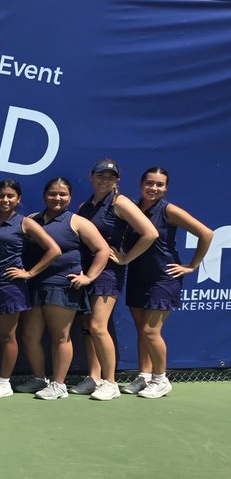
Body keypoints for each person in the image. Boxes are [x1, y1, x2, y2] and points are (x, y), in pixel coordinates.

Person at [0, 180, 61, 399]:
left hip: (10, 289)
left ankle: (4, 382)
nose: (5, 200)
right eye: (1, 196)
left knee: (6, 336)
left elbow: (54, 250)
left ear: (18, 199)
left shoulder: (25, 223)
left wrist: (29, 273)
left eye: (10, 196)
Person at [15, 177, 110, 400]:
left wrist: (89, 277)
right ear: (43, 195)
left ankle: (59, 385)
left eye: (62, 194)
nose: (57, 198)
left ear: (70, 197)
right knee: (30, 335)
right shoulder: (32, 220)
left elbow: (102, 250)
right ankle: (39, 378)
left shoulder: (78, 222)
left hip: (62, 286)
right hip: (35, 285)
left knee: (60, 337)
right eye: (52, 194)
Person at [123, 167, 212, 398]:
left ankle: (161, 379)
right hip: (137, 276)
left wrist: (192, 266)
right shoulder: (133, 208)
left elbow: (206, 234)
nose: (154, 188)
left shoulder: (169, 210)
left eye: (159, 184)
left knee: (151, 330)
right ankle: (144, 376)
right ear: (141, 184)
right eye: (150, 183)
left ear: (166, 188)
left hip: (164, 279)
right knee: (141, 331)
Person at [73, 159, 157, 400]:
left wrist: (126, 258)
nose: (104, 180)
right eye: (101, 175)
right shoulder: (85, 206)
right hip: (86, 272)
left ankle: (110, 382)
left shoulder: (120, 202)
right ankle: (94, 377)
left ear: (116, 181)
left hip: (109, 272)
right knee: (89, 328)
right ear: (92, 177)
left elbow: (149, 233)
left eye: (110, 177)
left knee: (99, 326)